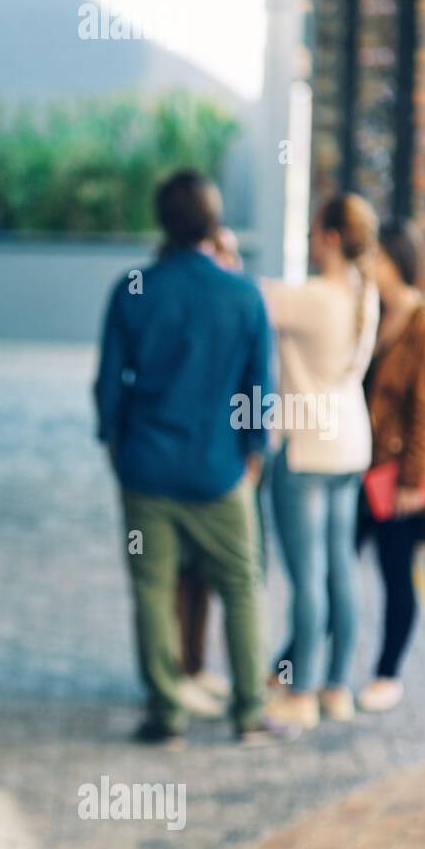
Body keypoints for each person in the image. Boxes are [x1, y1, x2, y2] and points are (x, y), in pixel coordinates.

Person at [95, 170, 292, 747]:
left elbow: (109, 386)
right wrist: (253, 457)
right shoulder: (242, 293)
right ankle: (250, 713)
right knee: (241, 586)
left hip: (147, 469)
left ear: (163, 222)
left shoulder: (133, 289)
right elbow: (260, 391)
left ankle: (166, 714)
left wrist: (117, 447)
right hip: (220, 471)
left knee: (152, 591)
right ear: (213, 221)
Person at [261, 194, 380, 729]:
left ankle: (301, 690)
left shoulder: (312, 297)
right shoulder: (365, 294)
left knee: (308, 578)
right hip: (351, 444)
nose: (311, 243)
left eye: (315, 233)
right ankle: (337, 687)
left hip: (308, 447)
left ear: (331, 238)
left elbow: (248, 297)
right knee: (342, 571)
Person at [355, 218, 425, 712]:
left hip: (397, 474)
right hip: (358, 465)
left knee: (396, 572)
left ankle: (388, 672)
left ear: (395, 262)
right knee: (335, 564)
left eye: (375, 257)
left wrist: (415, 482)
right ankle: (298, 661)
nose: (368, 266)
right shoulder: (371, 313)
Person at [175, 225, 244, 718]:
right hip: (192, 465)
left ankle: (196, 669)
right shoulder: (206, 303)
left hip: (224, 464)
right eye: (219, 250)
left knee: (216, 577)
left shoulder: (241, 302)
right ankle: (181, 672)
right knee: (184, 576)